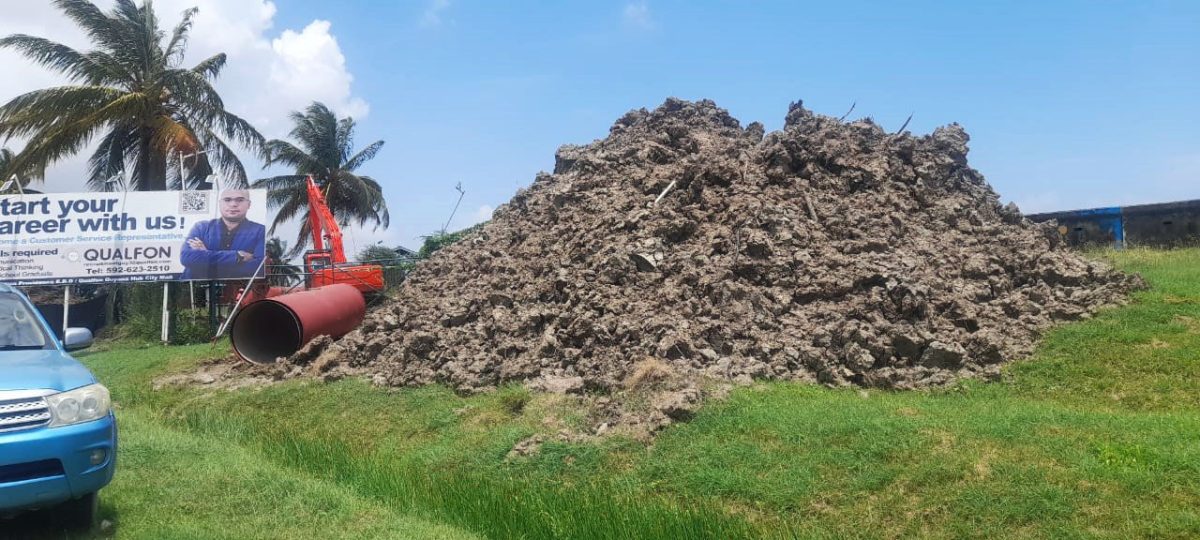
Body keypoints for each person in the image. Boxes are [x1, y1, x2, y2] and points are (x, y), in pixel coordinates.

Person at [179, 188, 266, 280]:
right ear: (220, 203)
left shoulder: (260, 231)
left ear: (249, 204)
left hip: (240, 290)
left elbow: (258, 267)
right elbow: (187, 258)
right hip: (194, 289)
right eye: (227, 200)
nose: (233, 204)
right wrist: (237, 256)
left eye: (240, 200)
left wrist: (206, 256)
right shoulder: (201, 228)